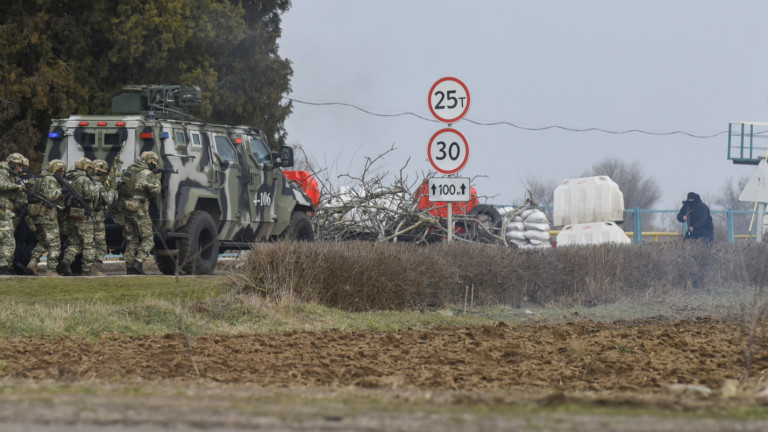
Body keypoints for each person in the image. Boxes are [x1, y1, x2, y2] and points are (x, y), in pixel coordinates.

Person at [117, 151, 160, 275]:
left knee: (132, 239)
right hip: (140, 210)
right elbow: (156, 191)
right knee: (148, 239)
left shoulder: (128, 171)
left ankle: (130, 268)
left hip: (126, 209)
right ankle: (138, 263)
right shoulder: (147, 173)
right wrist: (155, 177)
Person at [59, 158, 100, 276]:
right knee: (88, 244)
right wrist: (96, 187)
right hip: (83, 215)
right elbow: (91, 195)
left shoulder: (70, 178)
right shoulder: (84, 179)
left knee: (75, 242)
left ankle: (67, 260)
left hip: (72, 214)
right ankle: (87, 270)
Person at [26, 159, 67, 276]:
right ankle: (51, 270)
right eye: (62, 171)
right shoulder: (51, 179)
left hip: (38, 215)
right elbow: (49, 196)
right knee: (55, 244)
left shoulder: (40, 179)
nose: (63, 173)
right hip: (47, 216)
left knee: (43, 242)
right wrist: (61, 190)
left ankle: (32, 263)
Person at [0, 153, 26, 275]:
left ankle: (7, 266)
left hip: (6, 210)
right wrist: (17, 187)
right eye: (19, 166)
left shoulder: (11, 174)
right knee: (8, 241)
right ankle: (3, 267)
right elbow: (1, 185)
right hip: (3, 211)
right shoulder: (3, 172)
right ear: (12, 163)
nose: (21, 169)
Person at [90, 159, 114, 274]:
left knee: (87, 244)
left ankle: (86, 268)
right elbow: (108, 200)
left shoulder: (85, 181)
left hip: (86, 218)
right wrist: (112, 189)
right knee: (100, 246)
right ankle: (95, 269)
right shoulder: (99, 185)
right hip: (98, 219)